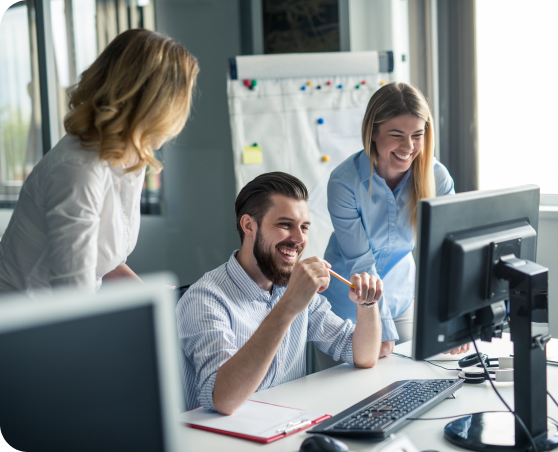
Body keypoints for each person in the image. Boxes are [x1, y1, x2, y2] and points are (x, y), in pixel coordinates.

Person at [0, 29, 199, 294]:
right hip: (25, 323)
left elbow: (102, 259)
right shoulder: (78, 171)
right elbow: (74, 299)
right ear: (155, 106)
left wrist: (152, 295)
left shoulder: (128, 157)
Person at [177, 172, 383, 414]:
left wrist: (367, 304)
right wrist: (288, 306)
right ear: (248, 225)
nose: (299, 239)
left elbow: (363, 356)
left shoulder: (292, 285)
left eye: (304, 227)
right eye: (285, 225)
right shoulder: (204, 299)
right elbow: (223, 399)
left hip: (288, 425)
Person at [322, 82, 470, 357]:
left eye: (417, 135)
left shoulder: (436, 178)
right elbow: (361, 264)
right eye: (397, 134)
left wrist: (455, 312)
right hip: (345, 307)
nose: (409, 146)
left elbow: (449, 253)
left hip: (402, 299)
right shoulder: (344, 182)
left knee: (415, 382)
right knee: (350, 394)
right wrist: (381, 328)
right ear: (373, 132)